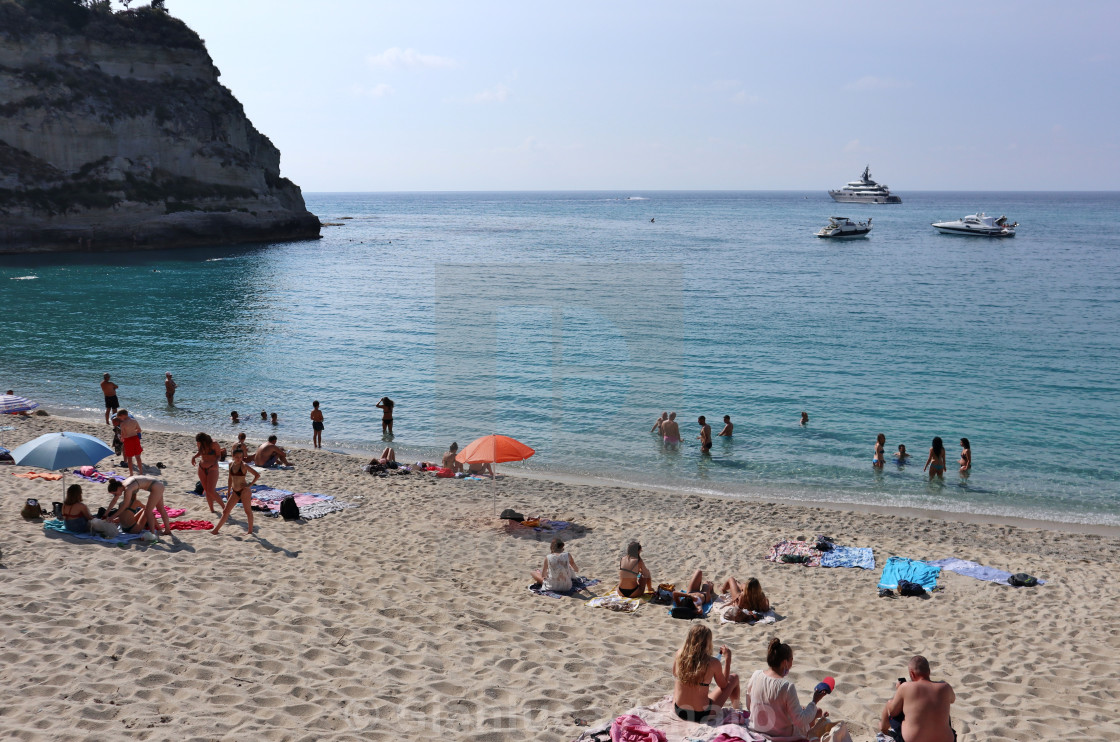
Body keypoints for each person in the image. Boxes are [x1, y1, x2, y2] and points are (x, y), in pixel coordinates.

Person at [746, 638, 827, 741]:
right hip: (782, 735)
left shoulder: (756, 675)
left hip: (757, 729)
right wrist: (815, 700)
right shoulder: (787, 686)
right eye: (791, 660)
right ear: (785, 662)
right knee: (816, 711)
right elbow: (800, 721)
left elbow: (749, 705)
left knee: (808, 711)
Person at [879, 655, 956, 742]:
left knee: (890, 703)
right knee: (941, 707)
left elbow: (893, 712)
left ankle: (883, 729)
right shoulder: (945, 686)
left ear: (912, 673)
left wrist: (900, 691)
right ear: (929, 671)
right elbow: (952, 700)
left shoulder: (906, 687)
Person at [672, 624, 740, 722]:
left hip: (680, 710)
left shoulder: (679, 654)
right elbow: (724, 685)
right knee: (734, 677)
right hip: (701, 715)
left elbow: (675, 673)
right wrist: (728, 660)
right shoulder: (713, 663)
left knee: (679, 679)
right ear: (707, 642)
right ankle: (737, 709)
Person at [212, 447, 260, 535]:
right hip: (234, 492)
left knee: (248, 511)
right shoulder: (230, 464)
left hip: (244, 491)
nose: (239, 458)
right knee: (226, 511)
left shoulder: (244, 465)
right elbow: (230, 478)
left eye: (241, 457)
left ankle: (250, 531)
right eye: (237, 456)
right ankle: (216, 530)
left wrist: (249, 485)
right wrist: (229, 491)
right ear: (233, 456)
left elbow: (257, 475)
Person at [107, 475, 171, 536]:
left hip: (156, 486)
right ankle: (165, 529)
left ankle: (153, 533)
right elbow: (115, 500)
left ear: (118, 488)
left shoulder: (128, 489)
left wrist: (112, 517)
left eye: (115, 494)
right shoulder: (124, 484)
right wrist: (105, 514)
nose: (115, 496)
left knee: (148, 511)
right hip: (157, 485)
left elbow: (125, 505)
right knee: (160, 509)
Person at [192, 432, 225, 514]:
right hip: (201, 467)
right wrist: (194, 457)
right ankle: (212, 509)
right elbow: (200, 452)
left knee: (211, 490)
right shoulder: (199, 443)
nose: (198, 444)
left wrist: (215, 462)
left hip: (212, 468)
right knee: (206, 490)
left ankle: (224, 508)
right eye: (198, 442)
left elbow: (219, 455)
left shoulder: (214, 444)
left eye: (200, 442)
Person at [115, 410, 143, 476]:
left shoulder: (123, 424)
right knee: (138, 457)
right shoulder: (134, 421)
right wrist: (133, 431)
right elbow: (139, 430)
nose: (120, 419)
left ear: (122, 415)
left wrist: (121, 438)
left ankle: (131, 473)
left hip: (128, 440)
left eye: (119, 417)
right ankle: (141, 472)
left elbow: (123, 434)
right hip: (135, 438)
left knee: (129, 458)